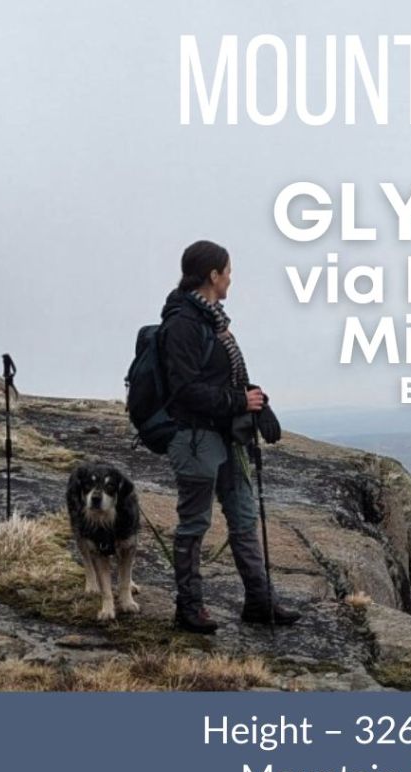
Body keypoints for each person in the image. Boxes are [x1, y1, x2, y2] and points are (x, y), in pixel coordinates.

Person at [159, 239, 300, 633]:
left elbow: (228, 378)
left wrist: (255, 401)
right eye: (228, 271)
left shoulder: (214, 321)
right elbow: (183, 390)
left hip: (228, 437)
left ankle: (259, 600)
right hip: (196, 439)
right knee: (194, 524)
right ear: (212, 275)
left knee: (242, 518)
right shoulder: (183, 324)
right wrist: (239, 400)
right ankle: (188, 607)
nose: (231, 279)